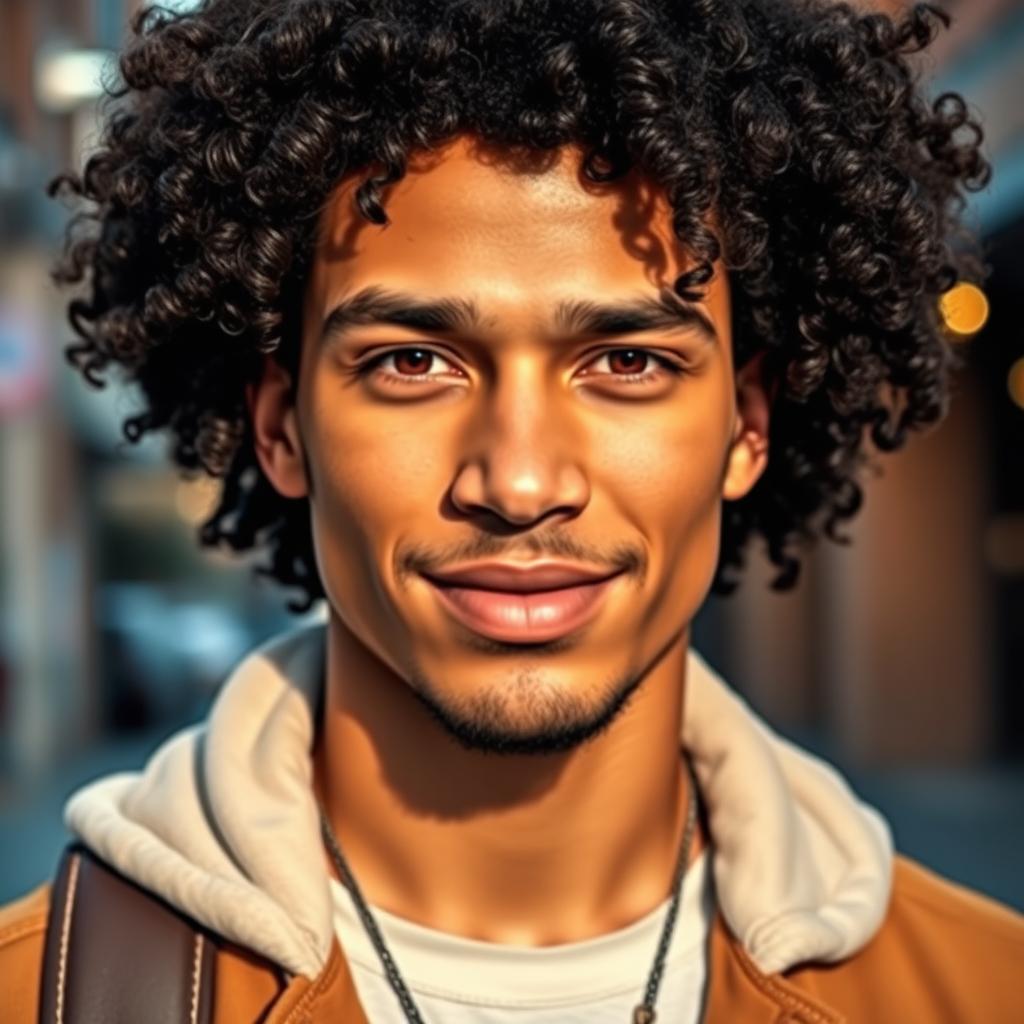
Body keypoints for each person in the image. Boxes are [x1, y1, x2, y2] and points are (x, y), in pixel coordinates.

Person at [3, 0, 1022, 1020]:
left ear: (746, 426)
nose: (521, 482)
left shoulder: (982, 988)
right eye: (413, 361)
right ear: (280, 428)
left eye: (627, 361)